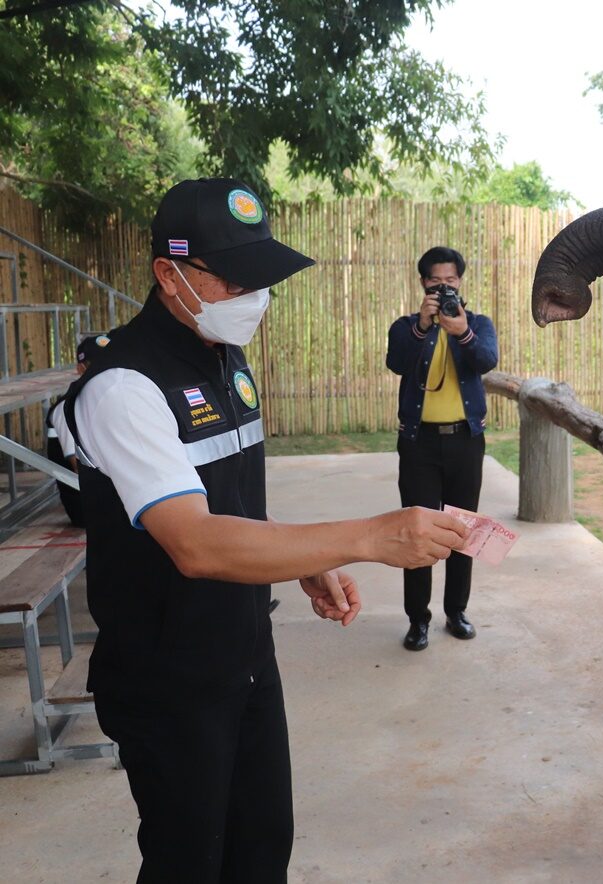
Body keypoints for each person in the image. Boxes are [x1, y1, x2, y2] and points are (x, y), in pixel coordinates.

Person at [62, 178, 468, 883]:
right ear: (170, 274)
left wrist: (298, 560)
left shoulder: (225, 360)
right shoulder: (123, 386)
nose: (255, 297)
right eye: (236, 278)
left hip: (245, 652)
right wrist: (368, 537)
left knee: (260, 849)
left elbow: (228, 506)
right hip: (169, 675)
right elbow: (195, 542)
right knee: (190, 862)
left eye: (262, 277)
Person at [386, 246, 498, 651]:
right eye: (437, 281)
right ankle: (418, 620)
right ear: (423, 283)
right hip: (419, 442)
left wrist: (461, 332)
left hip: (466, 441)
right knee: (418, 532)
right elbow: (397, 362)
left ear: (460, 282)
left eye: (451, 280)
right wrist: (422, 324)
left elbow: (486, 360)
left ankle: (457, 612)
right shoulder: (406, 326)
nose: (445, 287)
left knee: (464, 531)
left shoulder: (478, 324)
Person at [46, 333, 111, 526]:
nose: (103, 370)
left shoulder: (101, 400)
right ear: (80, 368)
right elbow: (79, 465)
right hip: (85, 505)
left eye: (108, 363)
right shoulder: (68, 407)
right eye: (95, 365)